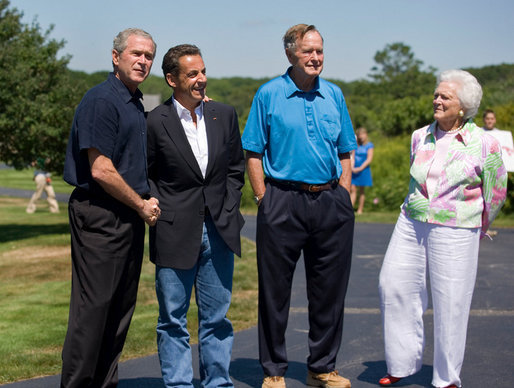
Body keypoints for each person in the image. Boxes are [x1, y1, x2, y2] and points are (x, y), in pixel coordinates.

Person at [242, 24, 357, 388]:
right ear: (291, 54)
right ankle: (274, 371)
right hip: (282, 201)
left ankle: (322, 367)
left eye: (320, 51)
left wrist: (343, 193)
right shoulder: (269, 94)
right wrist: (264, 199)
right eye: (308, 51)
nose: (315, 57)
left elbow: (346, 150)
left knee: (329, 291)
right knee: (275, 292)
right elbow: (253, 152)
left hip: (330, 201)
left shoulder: (334, 95)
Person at [378, 70, 507, 388]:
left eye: (444, 96)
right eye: (436, 94)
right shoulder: (420, 136)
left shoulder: (484, 143)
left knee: (451, 301)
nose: (436, 99)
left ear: (462, 105)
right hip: (411, 221)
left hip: (456, 227)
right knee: (392, 286)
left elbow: (496, 190)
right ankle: (401, 365)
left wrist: (481, 223)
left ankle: (446, 378)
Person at [61, 28, 160, 388]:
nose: (143, 61)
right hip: (101, 214)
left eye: (149, 55)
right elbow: (100, 169)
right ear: (116, 57)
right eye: (136, 53)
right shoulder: (102, 100)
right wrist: (141, 205)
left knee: (119, 310)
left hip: (126, 217)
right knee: (94, 311)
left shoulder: (134, 102)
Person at [146, 44, 245, 388]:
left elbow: (235, 169)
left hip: (220, 230)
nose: (201, 79)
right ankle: (179, 385)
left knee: (217, 319)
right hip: (173, 231)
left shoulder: (225, 114)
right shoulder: (154, 121)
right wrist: (156, 204)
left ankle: (218, 383)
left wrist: (229, 206)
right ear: (172, 79)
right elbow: (146, 173)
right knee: (172, 320)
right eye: (192, 74)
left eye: (202, 71)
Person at [350, 127, 374, 214]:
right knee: (352, 189)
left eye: (362, 134)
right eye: (359, 135)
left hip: (364, 170)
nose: (361, 136)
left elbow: (369, 159)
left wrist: (360, 168)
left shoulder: (369, 145)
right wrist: (352, 167)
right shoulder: (355, 145)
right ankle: (350, 208)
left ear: (366, 135)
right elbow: (352, 156)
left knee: (361, 190)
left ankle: (360, 209)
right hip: (354, 169)